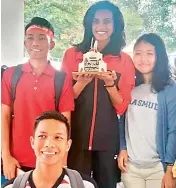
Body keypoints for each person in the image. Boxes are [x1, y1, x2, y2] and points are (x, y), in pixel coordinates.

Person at [61, 1, 135, 188]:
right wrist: (81, 83)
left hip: (107, 140)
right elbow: (62, 100)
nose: (101, 26)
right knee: (76, 185)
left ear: (115, 25)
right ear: (89, 24)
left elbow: (121, 106)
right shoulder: (73, 55)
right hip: (76, 138)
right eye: (96, 21)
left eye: (107, 21)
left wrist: (110, 84)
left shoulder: (123, 60)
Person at [1, 17, 74, 180]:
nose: (35, 42)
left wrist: (62, 164)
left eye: (42, 38)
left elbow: (66, 124)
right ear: (25, 43)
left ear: (51, 45)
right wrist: (5, 156)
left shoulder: (61, 79)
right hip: (16, 162)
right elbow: (4, 117)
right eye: (30, 38)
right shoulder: (10, 75)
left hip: (49, 159)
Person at [118, 33, 176, 188]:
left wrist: (169, 168)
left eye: (149, 53)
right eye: (138, 53)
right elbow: (121, 121)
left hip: (158, 168)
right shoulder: (129, 85)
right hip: (131, 167)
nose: (143, 59)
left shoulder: (170, 88)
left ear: (159, 56)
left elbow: (173, 130)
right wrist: (122, 148)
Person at [2, 111, 98, 188]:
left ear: (68, 145)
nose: (49, 144)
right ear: (32, 142)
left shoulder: (85, 185)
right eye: (42, 136)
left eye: (58, 137)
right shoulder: (11, 186)